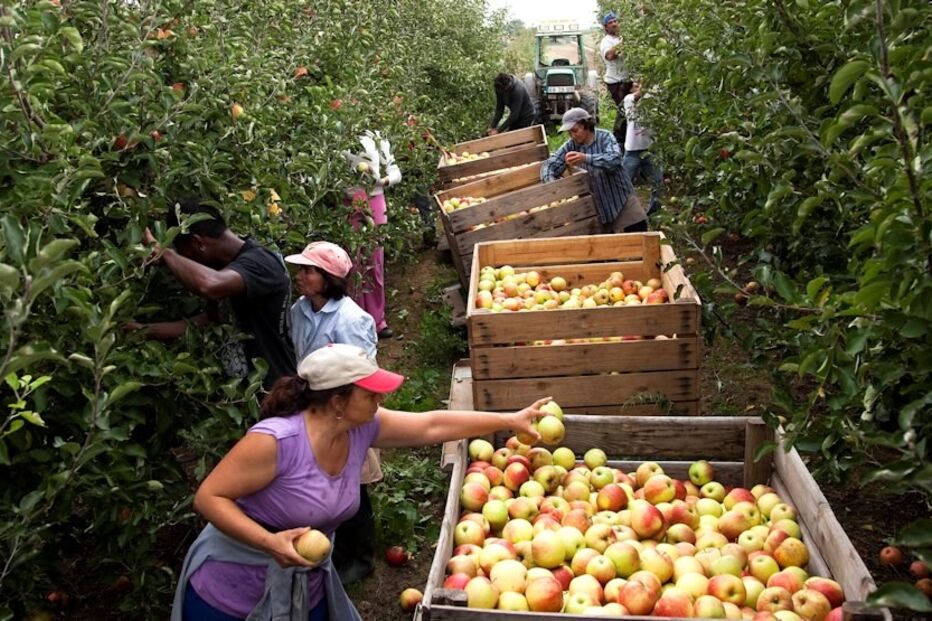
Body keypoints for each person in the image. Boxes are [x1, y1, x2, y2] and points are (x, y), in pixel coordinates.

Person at [171, 343, 549, 621]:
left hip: (305, 581)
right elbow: (208, 497)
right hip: (231, 591)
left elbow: (432, 424)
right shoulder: (276, 442)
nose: (381, 397)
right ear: (337, 401)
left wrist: (508, 420)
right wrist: (269, 542)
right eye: (371, 392)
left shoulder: (361, 427)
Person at [283, 240, 380, 585]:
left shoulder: (351, 319)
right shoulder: (298, 310)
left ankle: (361, 555)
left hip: (345, 409)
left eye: (308, 271)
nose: (300, 276)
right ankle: (334, 550)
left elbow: (362, 374)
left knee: (354, 481)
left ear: (328, 278)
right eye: (301, 269)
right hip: (315, 407)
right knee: (323, 479)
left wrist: (349, 416)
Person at [127, 199, 295, 389]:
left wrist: (165, 253)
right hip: (245, 396)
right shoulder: (229, 267)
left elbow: (209, 285)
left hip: (275, 392)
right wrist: (141, 330)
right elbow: (210, 320)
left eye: (185, 253)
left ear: (198, 243)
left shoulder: (261, 262)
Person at [540, 108, 648, 233]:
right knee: (611, 247)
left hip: (620, 198)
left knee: (639, 234)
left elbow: (614, 159)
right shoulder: (571, 145)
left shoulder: (605, 137)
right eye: (569, 133)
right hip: (598, 207)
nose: (572, 136)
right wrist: (552, 185)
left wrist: (586, 158)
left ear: (586, 125)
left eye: (575, 130)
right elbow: (549, 165)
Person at [342, 131, 401, 340]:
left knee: (374, 262)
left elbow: (395, 171)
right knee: (353, 264)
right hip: (349, 203)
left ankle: (377, 320)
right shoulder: (339, 135)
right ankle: (355, 321)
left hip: (375, 200)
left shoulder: (377, 139)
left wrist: (382, 181)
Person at [622, 83, 663, 216]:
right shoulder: (629, 100)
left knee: (658, 183)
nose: (638, 87)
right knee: (624, 184)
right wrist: (647, 83)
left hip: (651, 149)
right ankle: (625, 213)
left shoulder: (652, 100)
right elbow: (638, 95)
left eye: (639, 85)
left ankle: (654, 213)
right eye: (635, 85)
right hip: (632, 151)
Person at [598, 12, 633, 149]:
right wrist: (623, 44)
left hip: (626, 79)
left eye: (615, 21)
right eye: (610, 22)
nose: (613, 24)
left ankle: (625, 140)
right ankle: (617, 140)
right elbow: (611, 56)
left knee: (630, 110)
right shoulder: (606, 41)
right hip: (616, 82)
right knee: (624, 110)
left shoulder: (621, 38)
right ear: (606, 27)